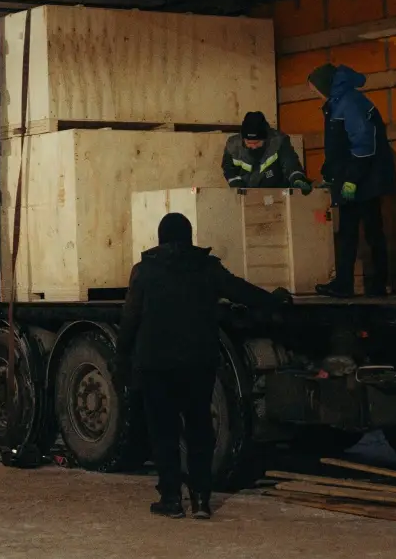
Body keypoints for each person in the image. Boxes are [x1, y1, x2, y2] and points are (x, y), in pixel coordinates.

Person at [118, 212, 285, 519]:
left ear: (161, 238)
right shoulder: (207, 268)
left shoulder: (144, 271)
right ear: (189, 236)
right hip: (198, 361)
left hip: (156, 363)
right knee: (199, 428)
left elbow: (130, 318)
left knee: (164, 432)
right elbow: (241, 291)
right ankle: (201, 500)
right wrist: (273, 301)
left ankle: (170, 499)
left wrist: (122, 357)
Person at [306, 63, 396, 298]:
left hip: (366, 178)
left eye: (314, 88)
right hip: (353, 176)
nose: (313, 93)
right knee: (348, 231)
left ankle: (377, 285)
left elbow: (364, 143)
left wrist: (352, 179)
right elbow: (339, 145)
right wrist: (330, 171)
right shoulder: (338, 102)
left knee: (371, 230)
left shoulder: (349, 103)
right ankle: (345, 284)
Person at [221, 110, 313, 191]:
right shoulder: (232, 146)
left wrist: (297, 179)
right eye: (249, 142)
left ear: (265, 138)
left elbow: (290, 163)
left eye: (256, 142)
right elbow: (229, 168)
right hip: (247, 197)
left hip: (277, 194)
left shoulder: (278, 142)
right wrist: (238, 186)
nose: (253, 146)